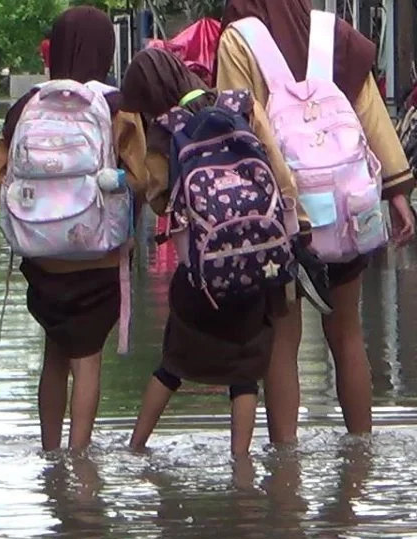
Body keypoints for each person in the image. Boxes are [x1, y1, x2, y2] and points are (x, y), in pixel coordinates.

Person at [216, 0, 417, 446]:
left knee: (283, 343)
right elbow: (369, 114)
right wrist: (397, 193)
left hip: (281, 216)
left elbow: (233, 129)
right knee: (347, 333)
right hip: (347, 212)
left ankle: (285, 466)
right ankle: (361, 452)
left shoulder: (238, 41)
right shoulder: (331, 33)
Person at [0, 6, 147, 452]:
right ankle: (79, 464)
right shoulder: (117, 106)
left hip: (43, 262)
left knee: (54, 355)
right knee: (88, 361)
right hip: (99, 258)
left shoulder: (27, 105)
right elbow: (141, 179)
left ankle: (51, 455)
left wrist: (35, 219)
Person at [119, 48, 297, 459]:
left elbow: (159, 197)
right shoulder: (240, 104)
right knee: (246, 372)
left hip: (202, 276)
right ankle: (241, 464)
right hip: (259, 262)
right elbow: (281, 176)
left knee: (174, 362)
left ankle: (135, 446)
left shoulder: (167, 130)